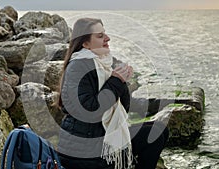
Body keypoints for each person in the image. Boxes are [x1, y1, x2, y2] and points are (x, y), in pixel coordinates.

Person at [57, 17, 169, 169]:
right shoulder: (78, 66)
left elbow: (123, 107)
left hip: (100, 136)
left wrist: (123, 82)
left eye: (105, 33)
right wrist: (115, 81)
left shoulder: (101, 63)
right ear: (85, 43)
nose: (107, 38)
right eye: (100, 36)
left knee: (158, 130)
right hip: (85, 151)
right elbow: (90, 110)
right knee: (153, 134)